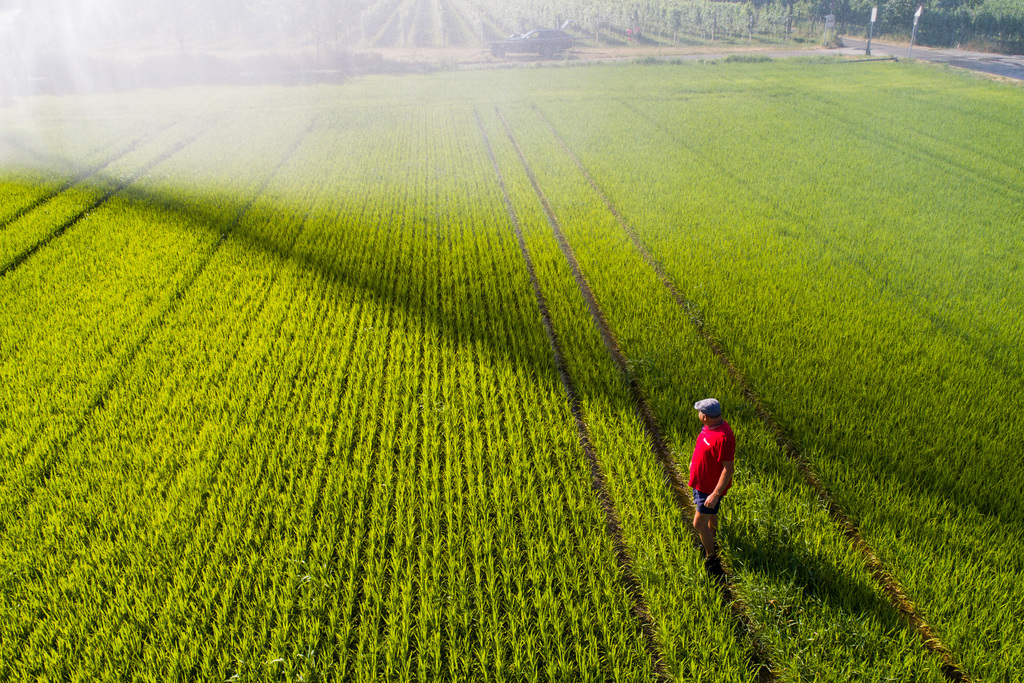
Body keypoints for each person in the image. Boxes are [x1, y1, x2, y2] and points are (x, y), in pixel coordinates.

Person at [689, 398, 735, 579]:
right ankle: (710, 541)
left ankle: (712, 560)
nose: (699, 415)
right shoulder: (708, 428)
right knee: (711, 516)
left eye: (700, 413)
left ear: (705, 416)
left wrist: (715, 494)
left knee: (698, 524)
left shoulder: (724, 437)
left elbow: (729, 469)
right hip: (700, 481)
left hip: (709, 488)